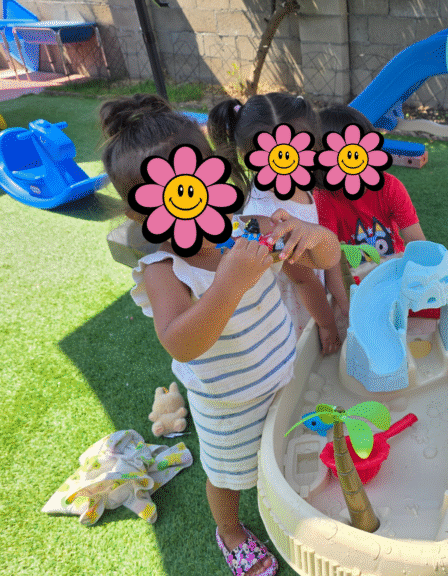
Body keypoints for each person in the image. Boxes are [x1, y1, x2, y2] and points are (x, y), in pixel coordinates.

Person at [100, 94, 340, 576]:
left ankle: (289, 487)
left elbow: (316, 267)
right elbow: (181, 341)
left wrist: (315, 241)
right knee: (228, 476)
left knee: (286, 442)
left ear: (214, 173)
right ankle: (229, 531)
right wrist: (230, 283)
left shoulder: (249, 228)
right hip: (227, 403)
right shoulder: (164, 269)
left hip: (282, 372)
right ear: (138, 211)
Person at [208, 93, 342, 355]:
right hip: (296, 311)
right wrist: (327, 324)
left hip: (306, 293)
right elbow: (304, 282)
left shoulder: (291, 186)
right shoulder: (269, 219)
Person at [315, 104, 427, 316]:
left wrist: (424, 281)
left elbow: (416, 241)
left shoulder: (390, 187)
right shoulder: (324, 198)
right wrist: (349, 310)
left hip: (393, 270)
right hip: (356, 279)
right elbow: (331, 266)